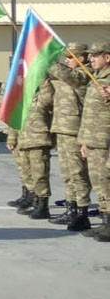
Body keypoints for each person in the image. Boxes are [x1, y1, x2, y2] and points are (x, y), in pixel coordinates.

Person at [46, 44, 92, 230]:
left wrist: (47, 58)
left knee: (78, 173)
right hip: (63, 129)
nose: (66, 60)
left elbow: (69, 77)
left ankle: (82, 212)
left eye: (69, 57)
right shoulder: (69, 73)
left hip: (75, 130)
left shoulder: (84, 74)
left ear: (80, 58)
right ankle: (71, 207)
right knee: (67, 174)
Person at [0, 67, 32, 209]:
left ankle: (33, 195)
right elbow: (0, 88)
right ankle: (26, 193)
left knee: (29, 167)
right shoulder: (15, 85)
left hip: (28, 131)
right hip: (14, 130)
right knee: (21, 166)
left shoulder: (32, 85)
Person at [78, 41, 110, 241]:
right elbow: (90, 113)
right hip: (94, 141)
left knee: (107, 184)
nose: (90, 59)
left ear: (107, 57)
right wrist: (85, 141)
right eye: (89, 55)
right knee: (99, 184)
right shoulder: (96, 78)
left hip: (106, 141)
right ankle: (105, 221)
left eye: (95, 55)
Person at [13, 77, 55, 219]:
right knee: (28, 174)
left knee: (40, 175)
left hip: (38, 141)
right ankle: (36, 203)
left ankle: (43, 206)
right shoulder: (24, 100)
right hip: (25, 141)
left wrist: (41, 74)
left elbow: (49, 95)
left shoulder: (42, 98)